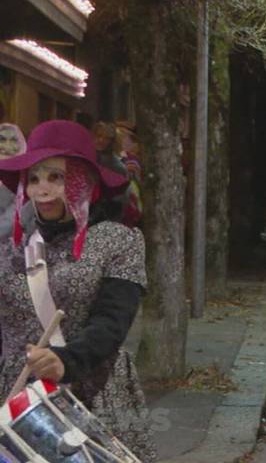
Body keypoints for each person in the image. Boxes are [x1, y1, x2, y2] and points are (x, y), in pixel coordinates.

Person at [0, 120, 155, 462]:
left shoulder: (118, 240)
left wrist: (65, 361)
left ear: (84, 181)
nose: (43, 190)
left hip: (91, 390)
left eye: (56, 177)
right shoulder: (9, 247)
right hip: (14, 396)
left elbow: (113, 321)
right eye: (35, 178)